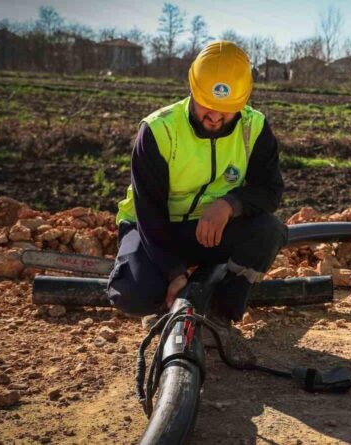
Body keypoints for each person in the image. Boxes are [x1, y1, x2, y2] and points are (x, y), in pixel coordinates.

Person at [107, 41, 287, 346]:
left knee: (270, 232)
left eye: (227, 111)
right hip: (155, 229)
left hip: (210, 230)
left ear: (242, 103)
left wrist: (230, 204)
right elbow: (149, 213)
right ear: (192, 88)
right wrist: (173, 271)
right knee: (131, 294)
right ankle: (163, 303)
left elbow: (270, 190)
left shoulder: (254, 128)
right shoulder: (158, 131)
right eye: (207, 105)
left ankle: (220, 311)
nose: (215, 117)